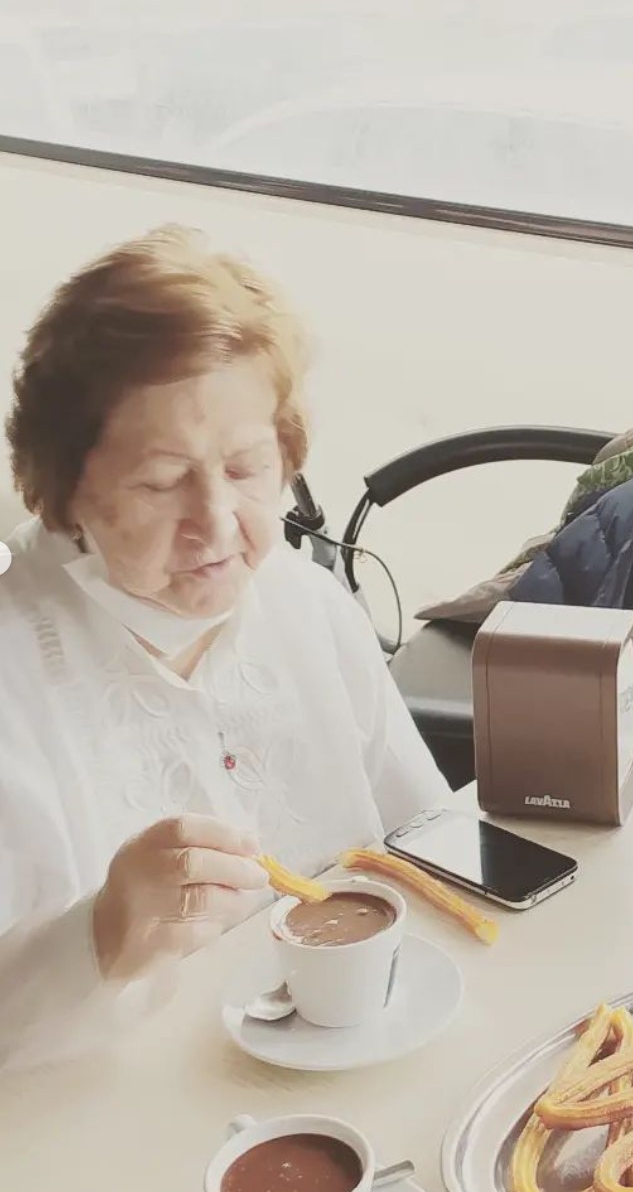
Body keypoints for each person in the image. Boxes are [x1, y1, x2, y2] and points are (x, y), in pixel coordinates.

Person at [0, 227, 448, 1067]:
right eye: (163, 481)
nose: (217, 523)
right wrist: (96, 938)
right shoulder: (16, 671)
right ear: (62, 488)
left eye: (246, 468)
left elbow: (422, 844)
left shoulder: (304, 600)